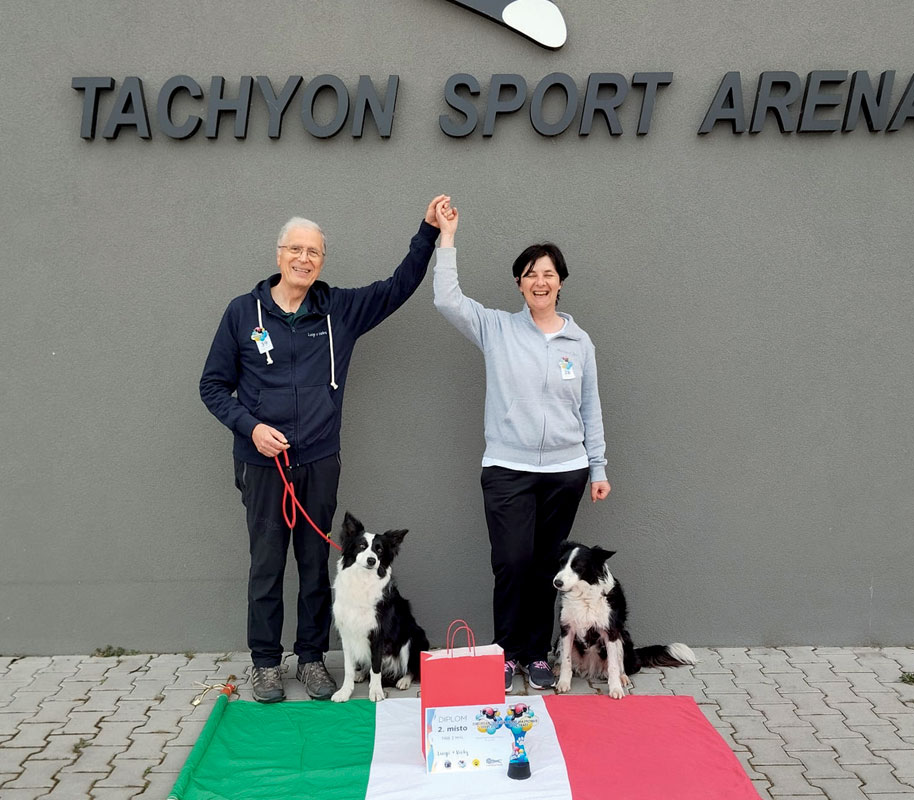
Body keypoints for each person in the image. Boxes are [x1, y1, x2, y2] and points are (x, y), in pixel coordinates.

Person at [200, 196, 451, 703]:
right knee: (267, 562)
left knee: (315, 563)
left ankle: (312, 658)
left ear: (321, 260)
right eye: (295, 249)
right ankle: (266, 664)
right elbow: (212, 386)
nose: (304, 259)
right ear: (278, 255)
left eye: (313, 252)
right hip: (263, 462)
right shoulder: (242, 313)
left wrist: (426, 232)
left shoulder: (338, 309)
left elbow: (398, 286)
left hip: (318, 461)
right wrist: (250, 428)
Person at [431, 203, 611, 692]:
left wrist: (597, 468)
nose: (540, 281)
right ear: (519, 285)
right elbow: (447, 300)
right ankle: (507, 655)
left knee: (544, 569)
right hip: (507, 468)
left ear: (560, 283)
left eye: (549, 274)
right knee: (511, 563)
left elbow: (590, 407)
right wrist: (447, 236)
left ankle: (535, 655)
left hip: (566, 470)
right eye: (530, 274)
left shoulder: (580, 342)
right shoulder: (497, 329)